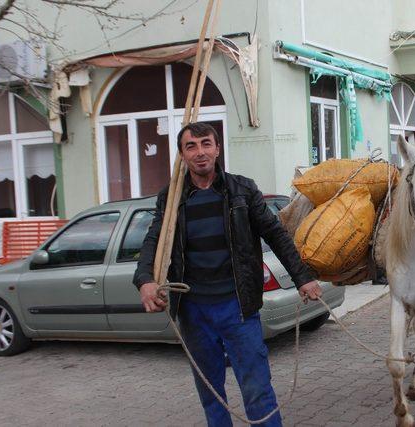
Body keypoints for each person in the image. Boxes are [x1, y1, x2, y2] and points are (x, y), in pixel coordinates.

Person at [133, 122, 321, 427]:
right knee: (211, 392)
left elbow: (276, 234)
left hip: (238, 307)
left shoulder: (242, 190)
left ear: (217, 149)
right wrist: (145, 280)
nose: (200, 152)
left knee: (257, 388)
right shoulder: (172, 198)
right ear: (182, 155)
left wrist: (303, 277)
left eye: (206, 143)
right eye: (190, 146)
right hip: (193, 311)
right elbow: (154, 239)